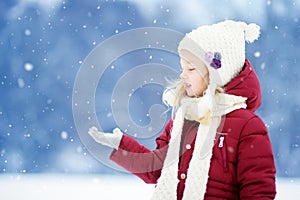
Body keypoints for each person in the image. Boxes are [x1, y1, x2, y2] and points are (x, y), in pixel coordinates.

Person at [88, 20, 277, 200]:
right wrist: (121, 145)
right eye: (182, 67)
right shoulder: (183, 119)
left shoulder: (247, 126)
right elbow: (156, 169)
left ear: (217, 73)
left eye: (191, 69)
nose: (182, 75)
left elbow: (258, 191)